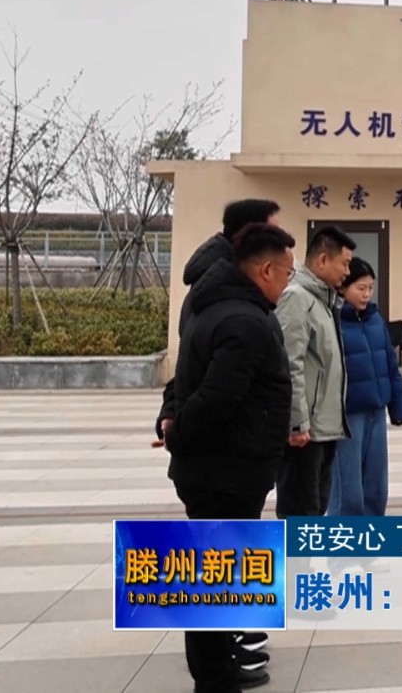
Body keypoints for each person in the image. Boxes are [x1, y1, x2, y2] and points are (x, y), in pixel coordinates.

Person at [164, 222, 297, 693]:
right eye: (287, 273)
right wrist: (179, 433)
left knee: (218, 578)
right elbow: (216, 397)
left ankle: (221, 666)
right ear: (265, 270)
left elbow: (186, 381)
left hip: (222, 470)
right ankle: (215, 679)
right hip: (225, 474)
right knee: (213, 581)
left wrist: (174, 423)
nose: (288, 283)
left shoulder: (215, 305)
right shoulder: (245, 321)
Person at [154, 199, 282, 446]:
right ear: (248, 236)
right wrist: (176, 427)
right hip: (228, 446)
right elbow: (203, 376)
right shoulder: (217, 294)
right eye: (273, 233)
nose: (280, 241)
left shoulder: (242, 289)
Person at [274, 225, 355, 519]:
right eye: (344, 263)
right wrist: (297, 423)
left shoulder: (323, 300)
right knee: (300, 512)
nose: (348, 272)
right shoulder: (297, 298)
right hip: (304, 435)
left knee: (315, 509)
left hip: (322, 431)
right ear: (322, 260)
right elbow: (289, 363)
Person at [328, 257, 402, 517]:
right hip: (347, 416)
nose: (367, 294)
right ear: (343, 288)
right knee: (348, 488)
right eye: (360, 288)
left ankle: (371, 535)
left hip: (376, 411)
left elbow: (390, 365)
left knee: (376, 486)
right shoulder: (332, 320)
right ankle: (344, 540)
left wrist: (399, 407)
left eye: (370, 288)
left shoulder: (375, 321)